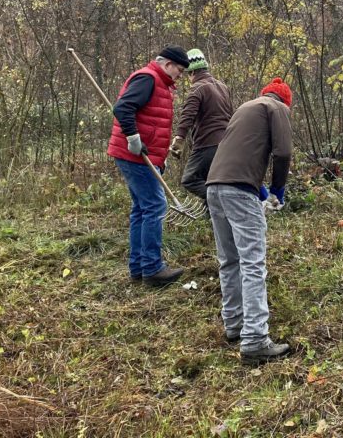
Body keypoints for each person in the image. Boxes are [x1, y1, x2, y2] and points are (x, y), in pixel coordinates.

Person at [205, 77, 293, 363]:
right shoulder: (276, 107)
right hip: (239, 190)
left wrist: (261, 188)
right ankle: (255, 339)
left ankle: (235, 324)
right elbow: (282, 152)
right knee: (253, 262)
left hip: (215, 187)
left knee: (229, 259)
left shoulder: (246, 108)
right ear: (284, 100)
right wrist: (278, 188)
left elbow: (238, 152)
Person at [107, 47, 190, 288]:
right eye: (180, 70)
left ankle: (138, 268)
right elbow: (122, 108)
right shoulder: (148, 78)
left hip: (147, 155)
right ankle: (152, 269)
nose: (180, 76)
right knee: (155, 206)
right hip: (136, 156)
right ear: (168, 64)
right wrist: (133, 138)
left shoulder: (159, 83)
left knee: (142, 210)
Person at [169, 49, 233, 201]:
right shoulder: (222, 86)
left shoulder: (197, 88)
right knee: (213, 181)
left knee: (189, 179)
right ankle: (213, 214)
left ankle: (221, 200)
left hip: (207, 144)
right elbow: (231, 114)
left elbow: (188, 115)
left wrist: (179, 139)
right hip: (226, 143)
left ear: (191, 72)